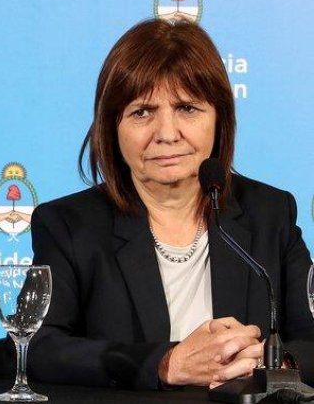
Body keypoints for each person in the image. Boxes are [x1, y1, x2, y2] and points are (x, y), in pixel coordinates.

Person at [26, 19, 314, 389]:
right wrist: (163, 364)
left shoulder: (270, 212)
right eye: (142, 112)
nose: (166, 134)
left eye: (187, 109)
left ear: (219, 119)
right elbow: (36, 347)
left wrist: (271, 360)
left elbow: (311, 340)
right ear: (111, 127)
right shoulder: (68, 224)